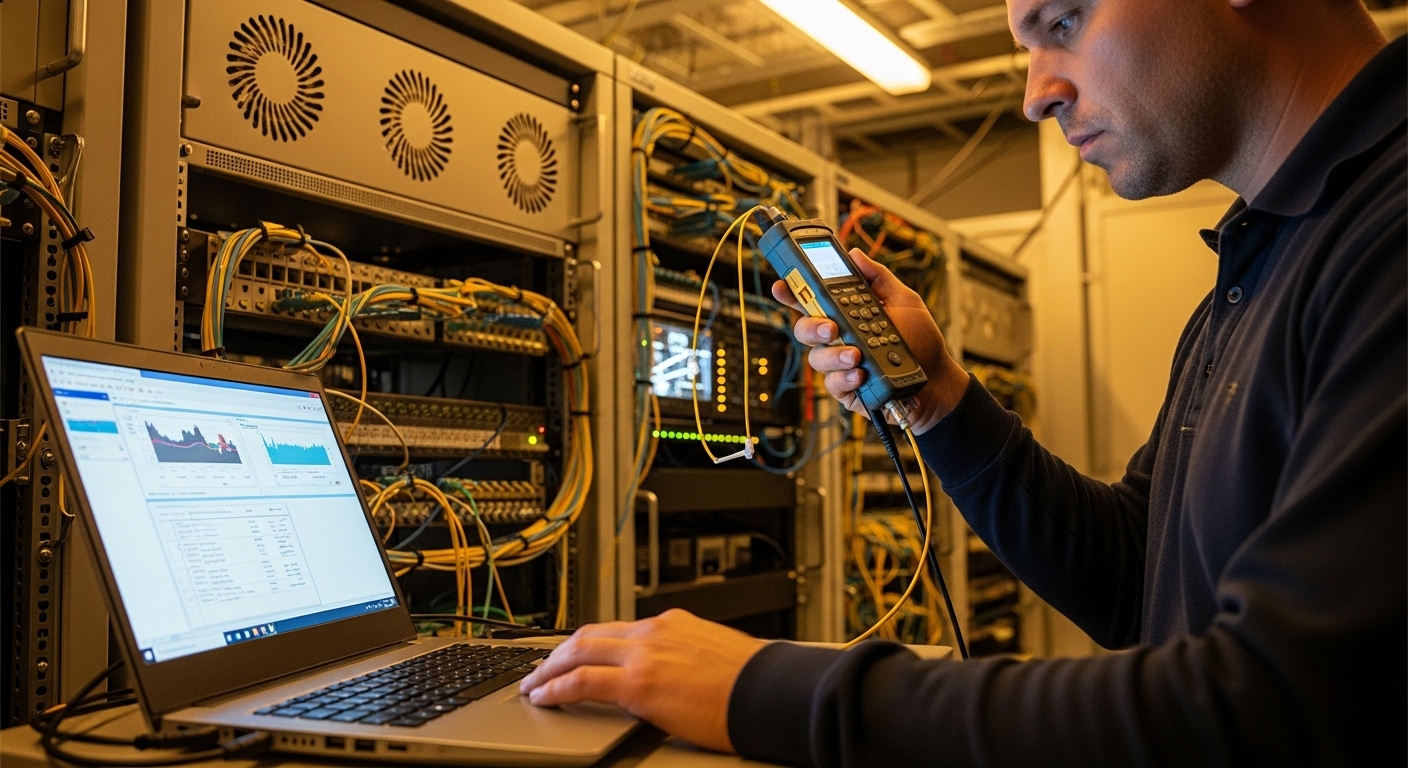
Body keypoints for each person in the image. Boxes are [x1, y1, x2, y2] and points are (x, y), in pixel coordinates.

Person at [520, 0, 1406, 764]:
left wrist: (765, 687)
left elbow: (1280, 709)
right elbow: (1140, 578)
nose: (1036, 93)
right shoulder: (1263, 264)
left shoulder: (1387, 239)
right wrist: (938, 398)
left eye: (1065, 21)